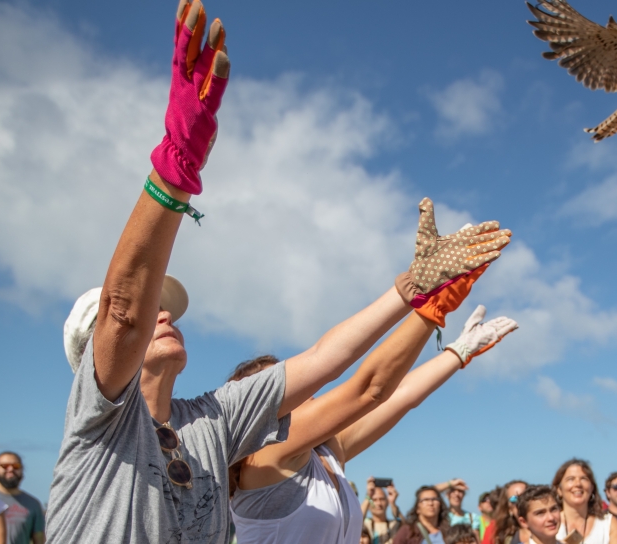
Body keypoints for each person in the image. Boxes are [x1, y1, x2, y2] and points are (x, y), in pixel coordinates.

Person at [46, 1, 509, 541]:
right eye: (153, 309)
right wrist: (175, 169)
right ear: (90, 359)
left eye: (164, 307)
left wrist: (412, 291)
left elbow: (328, 361)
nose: (162, 313)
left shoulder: (213, 423)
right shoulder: (101, 422)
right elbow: (124, 313)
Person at [229, 305, 518, 543]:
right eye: (283, 388)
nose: (303, 387)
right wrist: (432, 302)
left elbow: (401, 395)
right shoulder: (263, 454)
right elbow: (370, 388)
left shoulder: (328, 452)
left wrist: (459, 351)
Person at [552, 459, 617, 544]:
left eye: (584, 479)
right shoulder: (547, 523)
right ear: (559, 489)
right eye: (570, 479)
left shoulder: (607, 524)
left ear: (592, 488)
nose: (578, 484)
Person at [0, 452, 45, 544]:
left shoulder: (33, 504)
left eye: (16, 466)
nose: (10, 469)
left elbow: (39, 538)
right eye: (5, 466)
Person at [363, 479, 403, 544]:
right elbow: (355, 521)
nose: (379, 503)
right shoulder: (365, 524)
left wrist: (393, 503)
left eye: (382, 499)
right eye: (374, 500)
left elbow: (407, 527)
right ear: (368, 505)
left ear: (387, 502)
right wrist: (368, 496)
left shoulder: (394, 525)